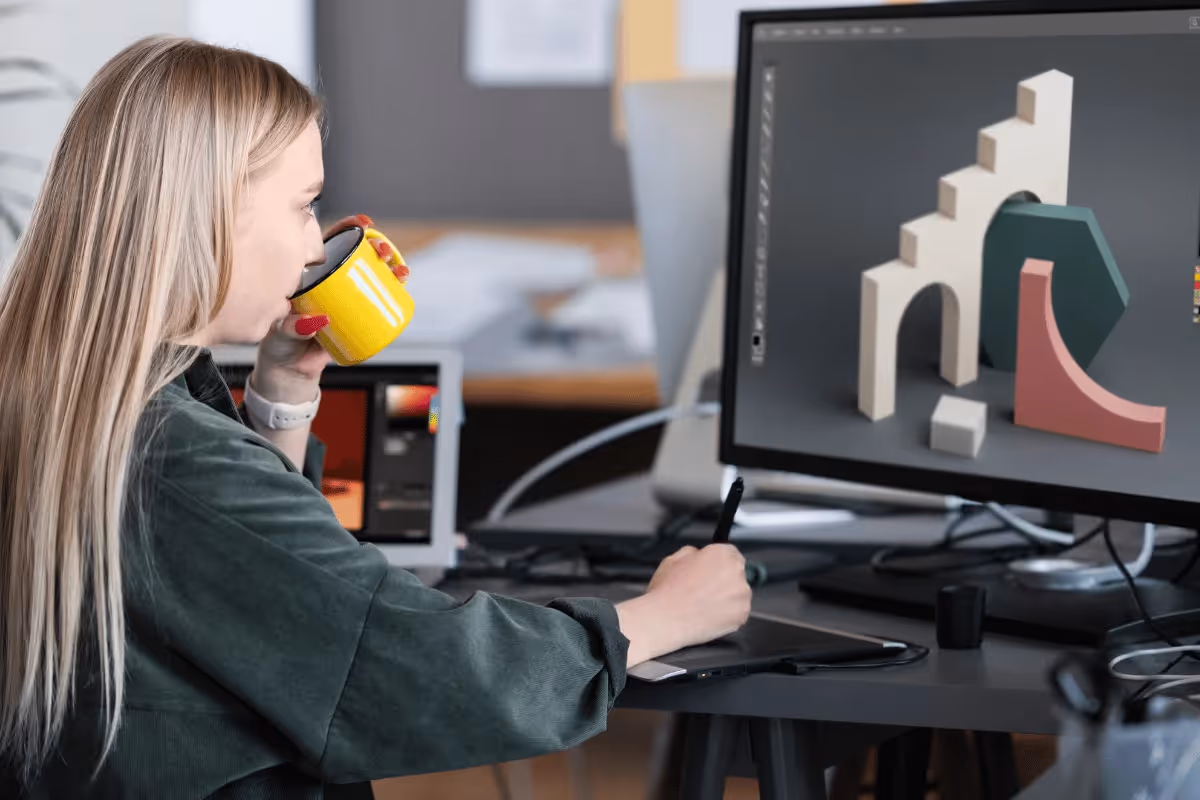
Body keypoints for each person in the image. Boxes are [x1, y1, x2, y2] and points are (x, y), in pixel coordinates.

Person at [0, 35, 752, 799]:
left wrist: (284, 392)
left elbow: (250, 601)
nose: (310, 245)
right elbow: (435, 669)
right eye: (303, 206)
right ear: (204, 211)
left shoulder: (71, 406)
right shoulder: (176, 457)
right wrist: (661, 617)